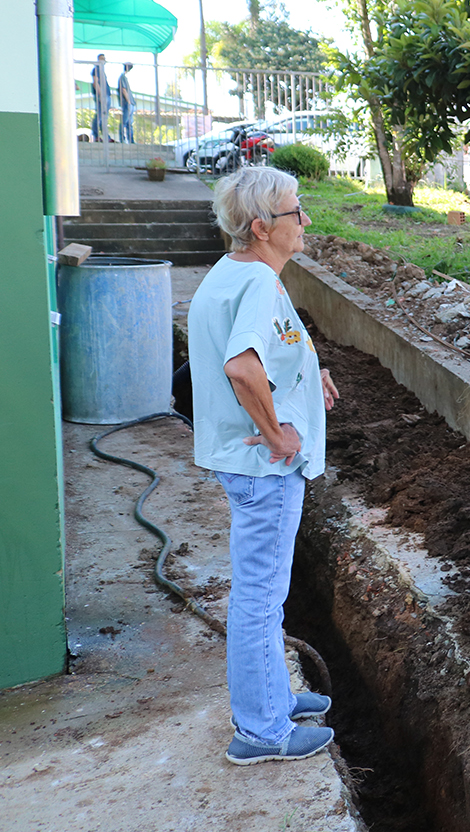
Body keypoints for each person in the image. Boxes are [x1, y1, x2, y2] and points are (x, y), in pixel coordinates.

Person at [188, 165, 341, 765]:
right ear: (260, 226)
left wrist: (309, 374)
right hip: (265, 472)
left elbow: (270, 351)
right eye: (294, 211)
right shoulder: (255, 284)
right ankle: (262, 731)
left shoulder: (241, 274)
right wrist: (278, 433)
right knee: (259, 599)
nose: (304, 220)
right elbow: (243, 367)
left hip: (247, 466)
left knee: (263, 596)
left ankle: (273, 696)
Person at [90, 54, 109, 142]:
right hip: (101, 96)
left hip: (106, 95)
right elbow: (95, 83)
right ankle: (96, 135)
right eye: (102, 59)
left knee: (103, 116)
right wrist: (100, 95)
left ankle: (105, 136)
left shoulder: (102, 70)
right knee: (99, 116)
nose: (103, 61)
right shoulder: (96, 69)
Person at [117, 63, 136, 143]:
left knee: (129, 123)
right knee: (125, 122)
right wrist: (128, 101)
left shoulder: (124, 77)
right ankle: (122, 139)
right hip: (127, 103)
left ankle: (131, 140)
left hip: (130, 103)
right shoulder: (122, 77)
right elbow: (123, 89)